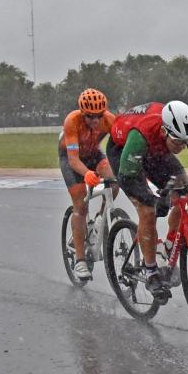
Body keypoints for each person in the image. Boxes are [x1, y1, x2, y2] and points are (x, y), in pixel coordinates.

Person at [107, 100, 188, 299]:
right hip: (124, 154)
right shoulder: (142, 134)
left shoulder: (186, 131)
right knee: (148, 210)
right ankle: (151, 271)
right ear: (165, 131)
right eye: (178, 143)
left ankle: (166, 248)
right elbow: (127, 177)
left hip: (157, 150)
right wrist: (152, 199)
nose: (183, 148)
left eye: (186, 143)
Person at [59, 88, 118, 281]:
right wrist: (87, 175)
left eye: (98, 116)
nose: (95, 121)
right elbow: (74, 160)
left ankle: (100, 219)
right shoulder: (72, 121)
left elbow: (121, 146)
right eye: (90, 117)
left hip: (93, 154)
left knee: (114, 180)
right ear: (82, 113)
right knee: (80, 204)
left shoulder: (109, 120)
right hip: (72, 159)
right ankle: (80, 260)